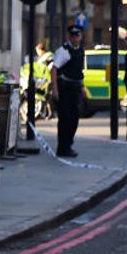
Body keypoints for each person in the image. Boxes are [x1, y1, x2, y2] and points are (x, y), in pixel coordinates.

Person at [49, 25, 89, 157]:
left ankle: (68, 144)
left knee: (74, 118)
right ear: (69, 37)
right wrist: (55, 89)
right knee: (65, 119)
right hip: (65, 88)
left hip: (75, 88)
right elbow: (54, 69)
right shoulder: (64, 51)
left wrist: (82, 87)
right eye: (73, 36)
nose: (76, 38)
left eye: (78, 36)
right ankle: (63, 147)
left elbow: (78, 71)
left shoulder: (80, 51)